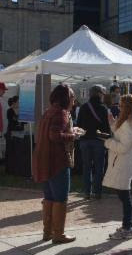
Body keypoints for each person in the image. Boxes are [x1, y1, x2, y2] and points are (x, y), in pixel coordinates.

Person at [33, 84, 82, 244]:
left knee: (49, 197)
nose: (73, 102)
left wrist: (69, 131)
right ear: (66, 98)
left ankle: (48, 232)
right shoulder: (61, 113)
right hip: (57, 161)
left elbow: (51, 134)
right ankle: (58, 234)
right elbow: (55, 136)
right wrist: (73, 135)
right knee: (60, 198)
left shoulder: (48, 112)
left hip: (45, 160)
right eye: (72, 98)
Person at [103, 94, 132, 240]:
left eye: (121, 105)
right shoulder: (131, 121)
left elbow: (123, 146)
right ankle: (131, 226)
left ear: (126, 107)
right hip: (125, 161)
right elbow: (122, 135)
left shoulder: (129, 123)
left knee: (124, 195)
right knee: (124, 195)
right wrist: (113, 124)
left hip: (123, 161)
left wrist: (108, 143)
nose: (119, 107)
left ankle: (127, 228)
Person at [76, 85, 112, 199]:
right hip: (98, 141)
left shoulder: (83, 107)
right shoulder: (103, 108)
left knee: (86, 167)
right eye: (102, 93)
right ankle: (97, 192)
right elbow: (107, 127)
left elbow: (79, 124)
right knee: (99, 167)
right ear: (99, 94)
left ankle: (87, 192)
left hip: (85, 140)